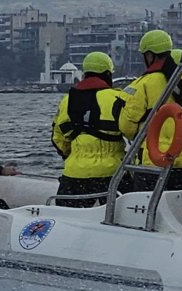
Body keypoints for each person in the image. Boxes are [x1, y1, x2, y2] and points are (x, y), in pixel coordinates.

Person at [116, 31, 182, 190]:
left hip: (154, 165)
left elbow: (126, 127)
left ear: (149, 56)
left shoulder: (141, 86)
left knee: (150, 208)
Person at [51, 52, 130, 207]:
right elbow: (132, 130)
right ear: (108, 74)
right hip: (112, 174)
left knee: (67, 220)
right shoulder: (118, 98)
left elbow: (58, 139)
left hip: (75, 175)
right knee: (126, 220)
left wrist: (73, 157)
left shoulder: (67, 100)